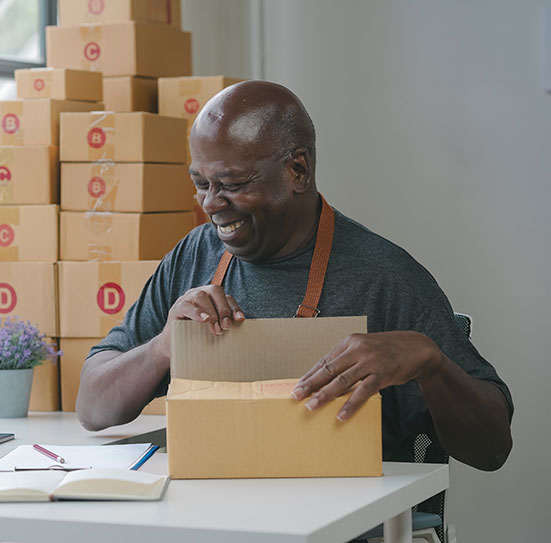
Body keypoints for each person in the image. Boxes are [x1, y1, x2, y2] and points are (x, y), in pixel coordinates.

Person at [76, 80, 513, 471]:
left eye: (230, 183)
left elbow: (492, 448)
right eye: (201, 183)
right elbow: (92, 408)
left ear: (297, 171)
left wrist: (428, 360)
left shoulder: (385, 277)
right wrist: (161, 349)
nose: (210, 203)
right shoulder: (193, 255)